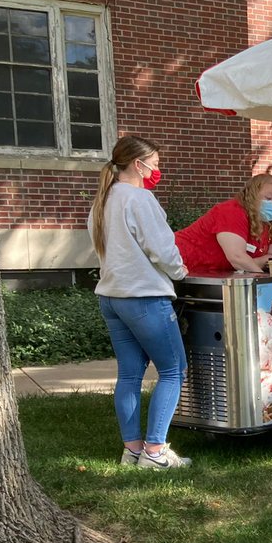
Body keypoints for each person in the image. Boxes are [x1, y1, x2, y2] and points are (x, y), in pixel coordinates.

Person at [88, 135, 191, 468]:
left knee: (130, 375)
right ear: (138, 163)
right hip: (145, 297)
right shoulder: (140, 199)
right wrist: (180, 270)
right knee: (174, 370)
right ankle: (155, 452)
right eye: (155, 163)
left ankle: (131, 449)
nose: (157, 169)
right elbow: (161, 249)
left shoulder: (103, 200)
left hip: (112, 297)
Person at [175, 173, 272, 272]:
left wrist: (248, 262)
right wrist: (261, 279)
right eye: (268, 198)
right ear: (252, 196)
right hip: (179, 263)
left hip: (210, 273)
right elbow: (237, 258)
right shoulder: (231, 212)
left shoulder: (269, 222)